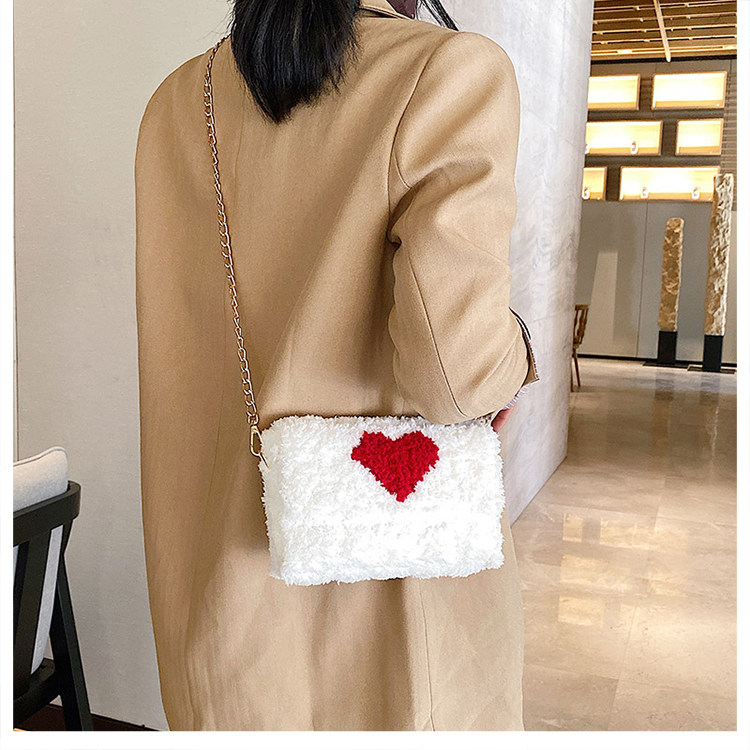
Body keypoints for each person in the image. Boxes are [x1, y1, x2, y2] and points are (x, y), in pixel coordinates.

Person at [135, 0, 538, 731]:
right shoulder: (447, 71)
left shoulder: (175, 103)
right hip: (384, 604)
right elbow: (459, 379)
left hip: (218, 592)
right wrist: (520, 353)